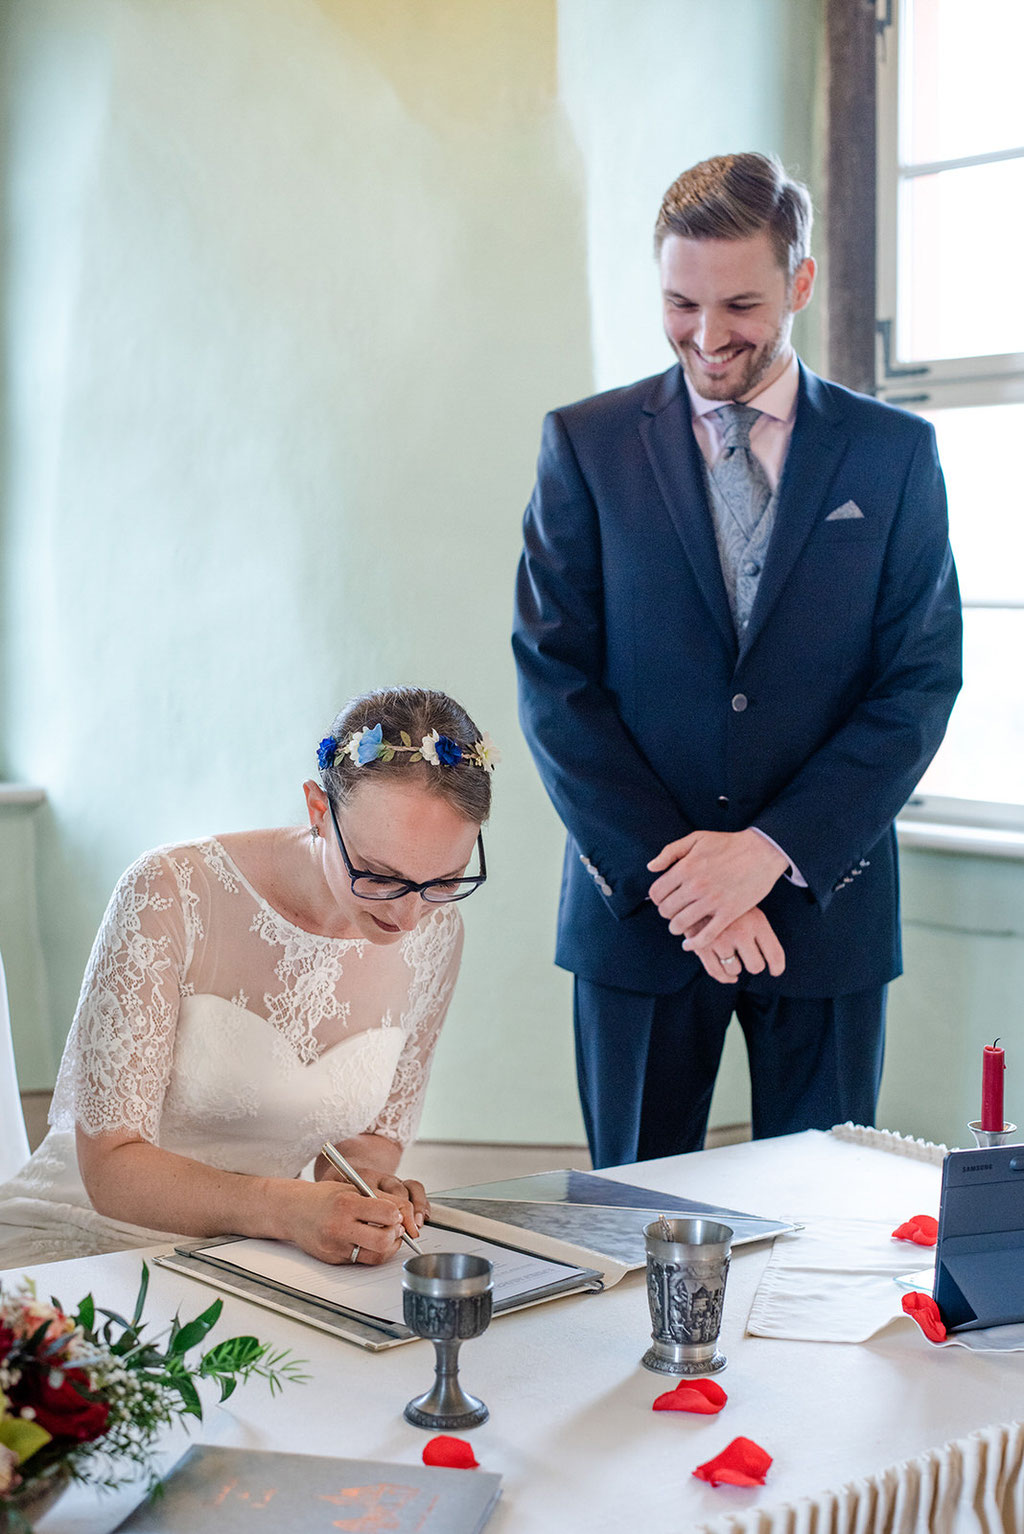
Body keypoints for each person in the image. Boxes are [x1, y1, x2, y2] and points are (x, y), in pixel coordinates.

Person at [513, 152, 962, 1169]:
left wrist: (768, 850)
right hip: (638, 917)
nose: (707, 338)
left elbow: (918, 682)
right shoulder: (584, 446)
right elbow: (554, 682)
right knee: (636, 1222)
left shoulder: (892, 455)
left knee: (822, 1225)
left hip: (823, 908)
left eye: (741, 305)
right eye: (680, 303)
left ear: (800, 283)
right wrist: (679, 884)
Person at [0, 687, 498, 1268]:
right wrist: (292, 1210)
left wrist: (365, 1185)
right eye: (380, 875)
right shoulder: (170, 892)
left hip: (259, 1253)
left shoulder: (437, 935)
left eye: (444, 881)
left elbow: (375, 1134)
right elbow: (112, 1167)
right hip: (88, 1240)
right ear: (319, 812)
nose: (408, 915)